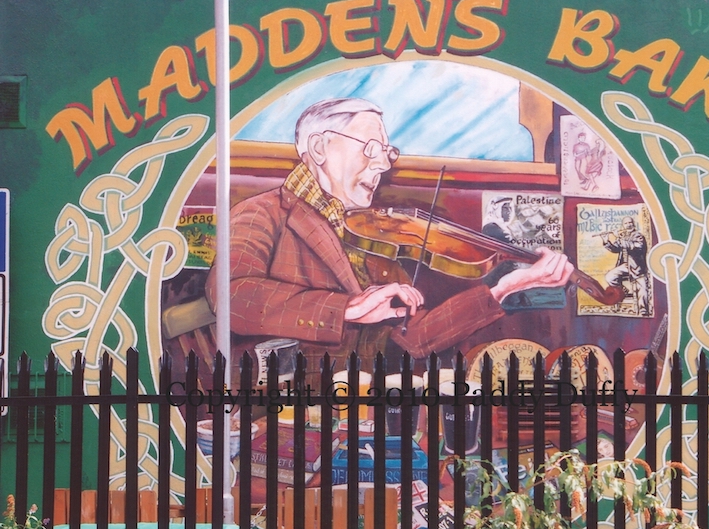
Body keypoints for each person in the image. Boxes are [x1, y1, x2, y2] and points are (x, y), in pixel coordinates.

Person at [205, 98, 574, 379]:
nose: (383, 164)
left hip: (366, 408)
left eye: (386, 152)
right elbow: (232, 295)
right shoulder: (263, 213)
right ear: (319, 149)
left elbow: (413, 337)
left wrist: (505, 288)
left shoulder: (370, 232)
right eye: (370, 148)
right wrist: (346, 308)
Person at [601, 216, 650, 315]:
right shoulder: (623, 236)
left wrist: (619, 237)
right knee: (609, 277)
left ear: (633, 224)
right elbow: (615, 249)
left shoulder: (638, 236)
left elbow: (636, 246)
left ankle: (643, 309)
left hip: (637, 266)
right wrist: (606, 241)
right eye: (626, 223)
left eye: (630, 222)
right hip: (625, 266)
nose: (628, 225)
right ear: (623, 225)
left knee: (642, 287)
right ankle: (623, 291)